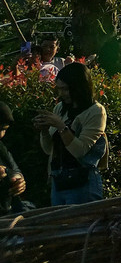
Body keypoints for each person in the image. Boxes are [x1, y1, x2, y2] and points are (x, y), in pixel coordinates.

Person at [32, 62, 109, 205]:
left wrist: (61, 126)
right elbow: (49, 150)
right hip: (59, 181)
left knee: (81, 219)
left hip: (82, 181)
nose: (61, 94)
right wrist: (44, 130)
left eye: (66, 89)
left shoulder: (95, 111)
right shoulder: (60, 108)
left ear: (79, 87)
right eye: (59, 89)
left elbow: (80, 150)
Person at [0, 102, 28, 215]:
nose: (1, 135)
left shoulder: (1, 148)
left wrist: (17, 180)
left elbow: (14, 168)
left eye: (4, 129)